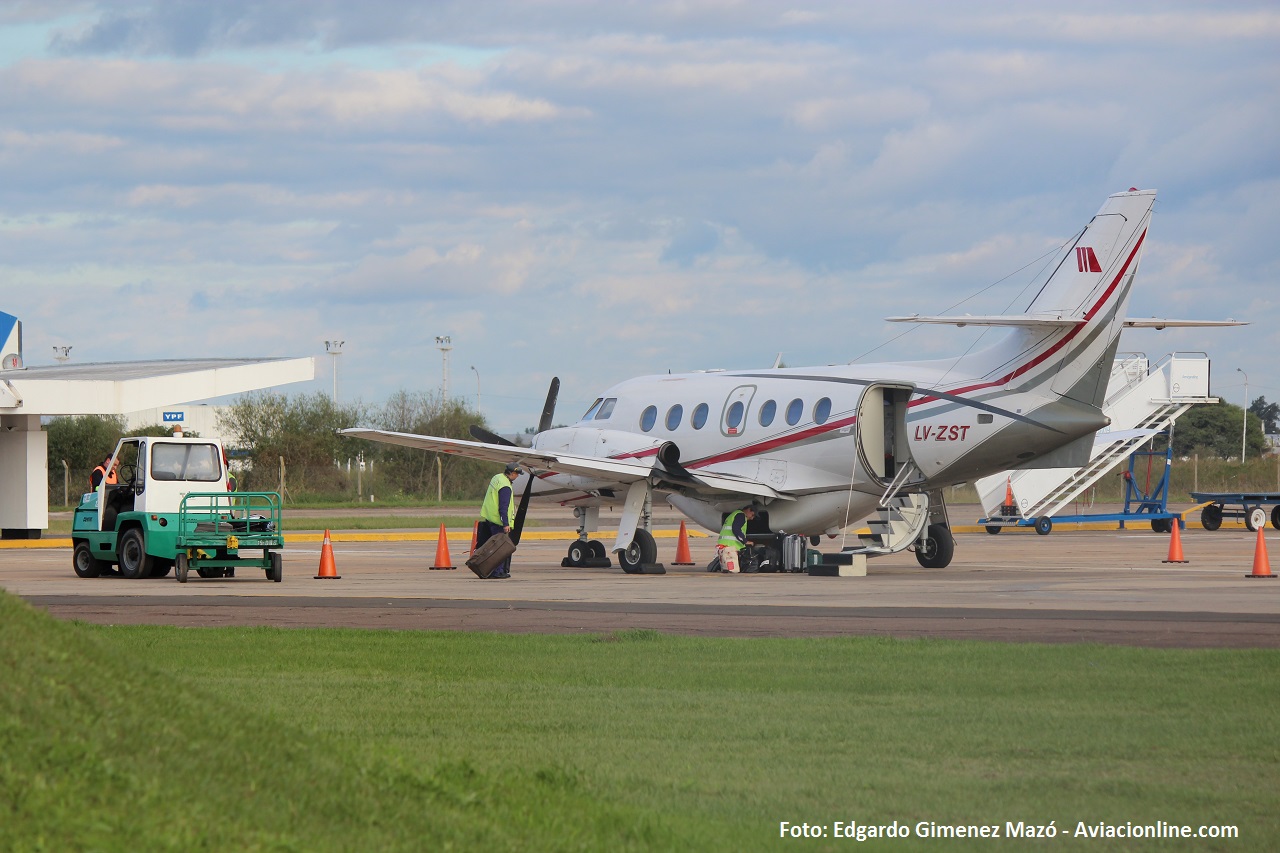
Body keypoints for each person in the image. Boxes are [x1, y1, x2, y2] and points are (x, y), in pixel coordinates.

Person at [476, 462, 521, 578]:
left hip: (490, 517)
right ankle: (496, 572)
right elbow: (503, 506)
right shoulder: (505, 486)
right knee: (499, 549)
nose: (518, 476)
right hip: (498, 521)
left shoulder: (497, 477)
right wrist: (505, 523)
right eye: (517, 473)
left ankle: (486, 570)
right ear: (511, 473)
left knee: (489, 547)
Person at [716, 503, 757, 574]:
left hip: (724, 545)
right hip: (730, 546)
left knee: (727, 568)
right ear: (748, 510)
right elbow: (736, 529)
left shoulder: (734, 514)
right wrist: (745, 541)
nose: (752, 518)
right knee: (733, 570)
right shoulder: (741, 516)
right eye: (752, 515)